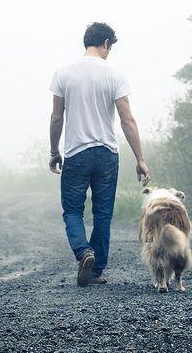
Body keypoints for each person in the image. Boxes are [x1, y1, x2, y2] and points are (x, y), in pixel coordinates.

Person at [49, 22, 150, 286]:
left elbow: (57, 117)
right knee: (103, 213)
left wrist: (53, 151)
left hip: (76, 152)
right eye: (110, 48)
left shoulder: (63, 73)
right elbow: (127, 119)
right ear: (105, 43)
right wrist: (140, 158)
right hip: (106, 154)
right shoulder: (114, 73)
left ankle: (84, 252)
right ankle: (95, 272)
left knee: (72, 210)